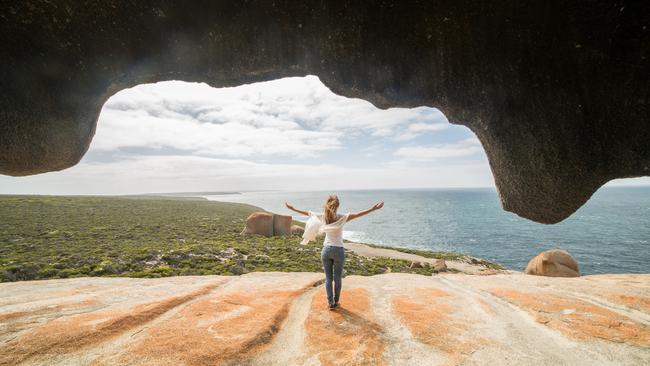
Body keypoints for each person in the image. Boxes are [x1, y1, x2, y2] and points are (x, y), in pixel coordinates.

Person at [285, 195, 384, 310]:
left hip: (326, 250)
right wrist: (373, 209)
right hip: (338, 250)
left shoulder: (322, 217)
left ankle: (330, 303)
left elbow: (306, 213)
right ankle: (336, 302)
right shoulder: (342, 217)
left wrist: (292, 209)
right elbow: (358, 214)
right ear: (338, 206)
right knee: (337, 278)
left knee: (328, 279)